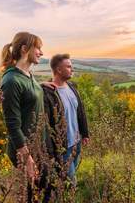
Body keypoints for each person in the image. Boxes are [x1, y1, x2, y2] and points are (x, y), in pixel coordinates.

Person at [0, 32, 44, 201]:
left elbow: (30, 95)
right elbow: (12, 125)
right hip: (25, 151)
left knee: (40, 193)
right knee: (31, 195)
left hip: (37, 146)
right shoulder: (11, 81)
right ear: (25, 49)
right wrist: (27, 159)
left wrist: (43, 87)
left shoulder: (27, 76)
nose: (41, 52)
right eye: (38, 48)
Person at [42, 53, 89, 186]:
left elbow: (80, 111)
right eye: (68, 67)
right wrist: (50, 153)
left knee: (66, 180)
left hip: (76, 142)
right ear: (58, 70)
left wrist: (85, 133)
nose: (72, 69)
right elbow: (46, 125)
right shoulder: (48, 93)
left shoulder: (72, 87)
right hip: (62, 147)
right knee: (71, 182)